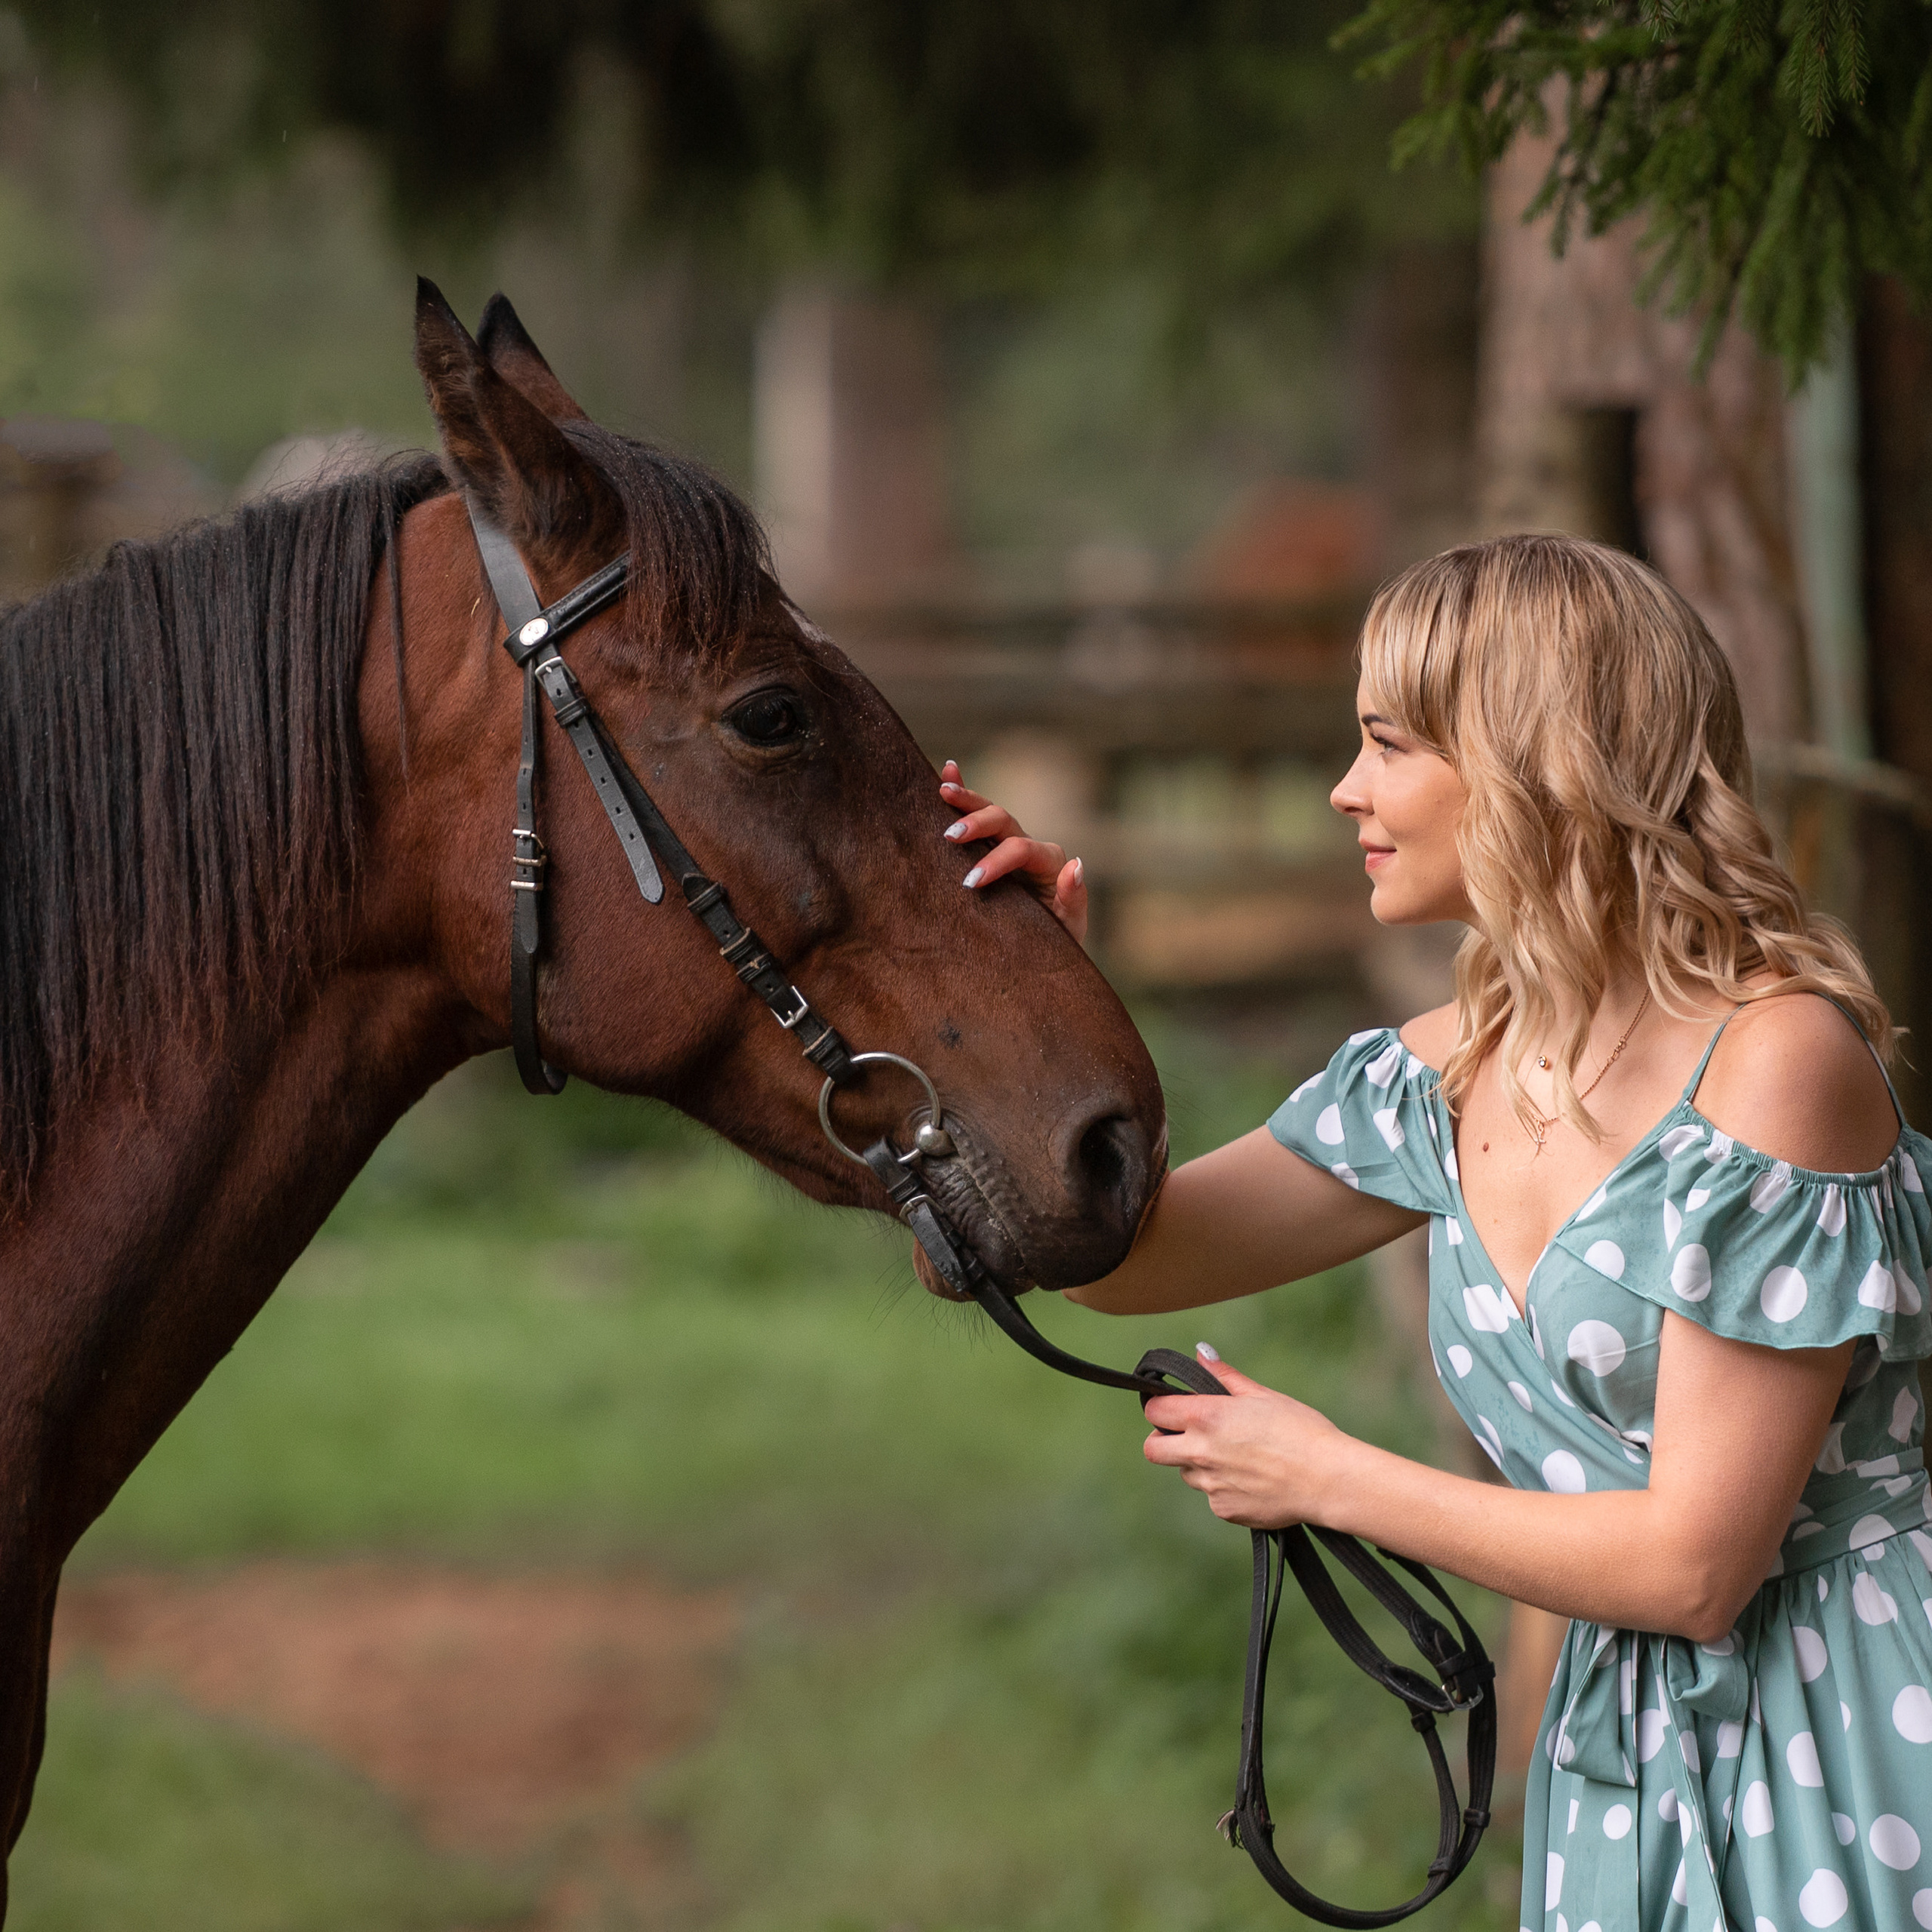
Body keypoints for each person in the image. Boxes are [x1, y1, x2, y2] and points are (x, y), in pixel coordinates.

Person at [933, 534, 1932, 1932]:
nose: (1347, 790)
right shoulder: (1439, 1076)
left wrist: (1328, 1476)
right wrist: (1034, 992)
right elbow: (1125, 1260)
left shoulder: (1775, 1065)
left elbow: (1697, 1570)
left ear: (1538, 762)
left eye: (1390, 744)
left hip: (1846, 1738)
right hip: (1627, 1758)